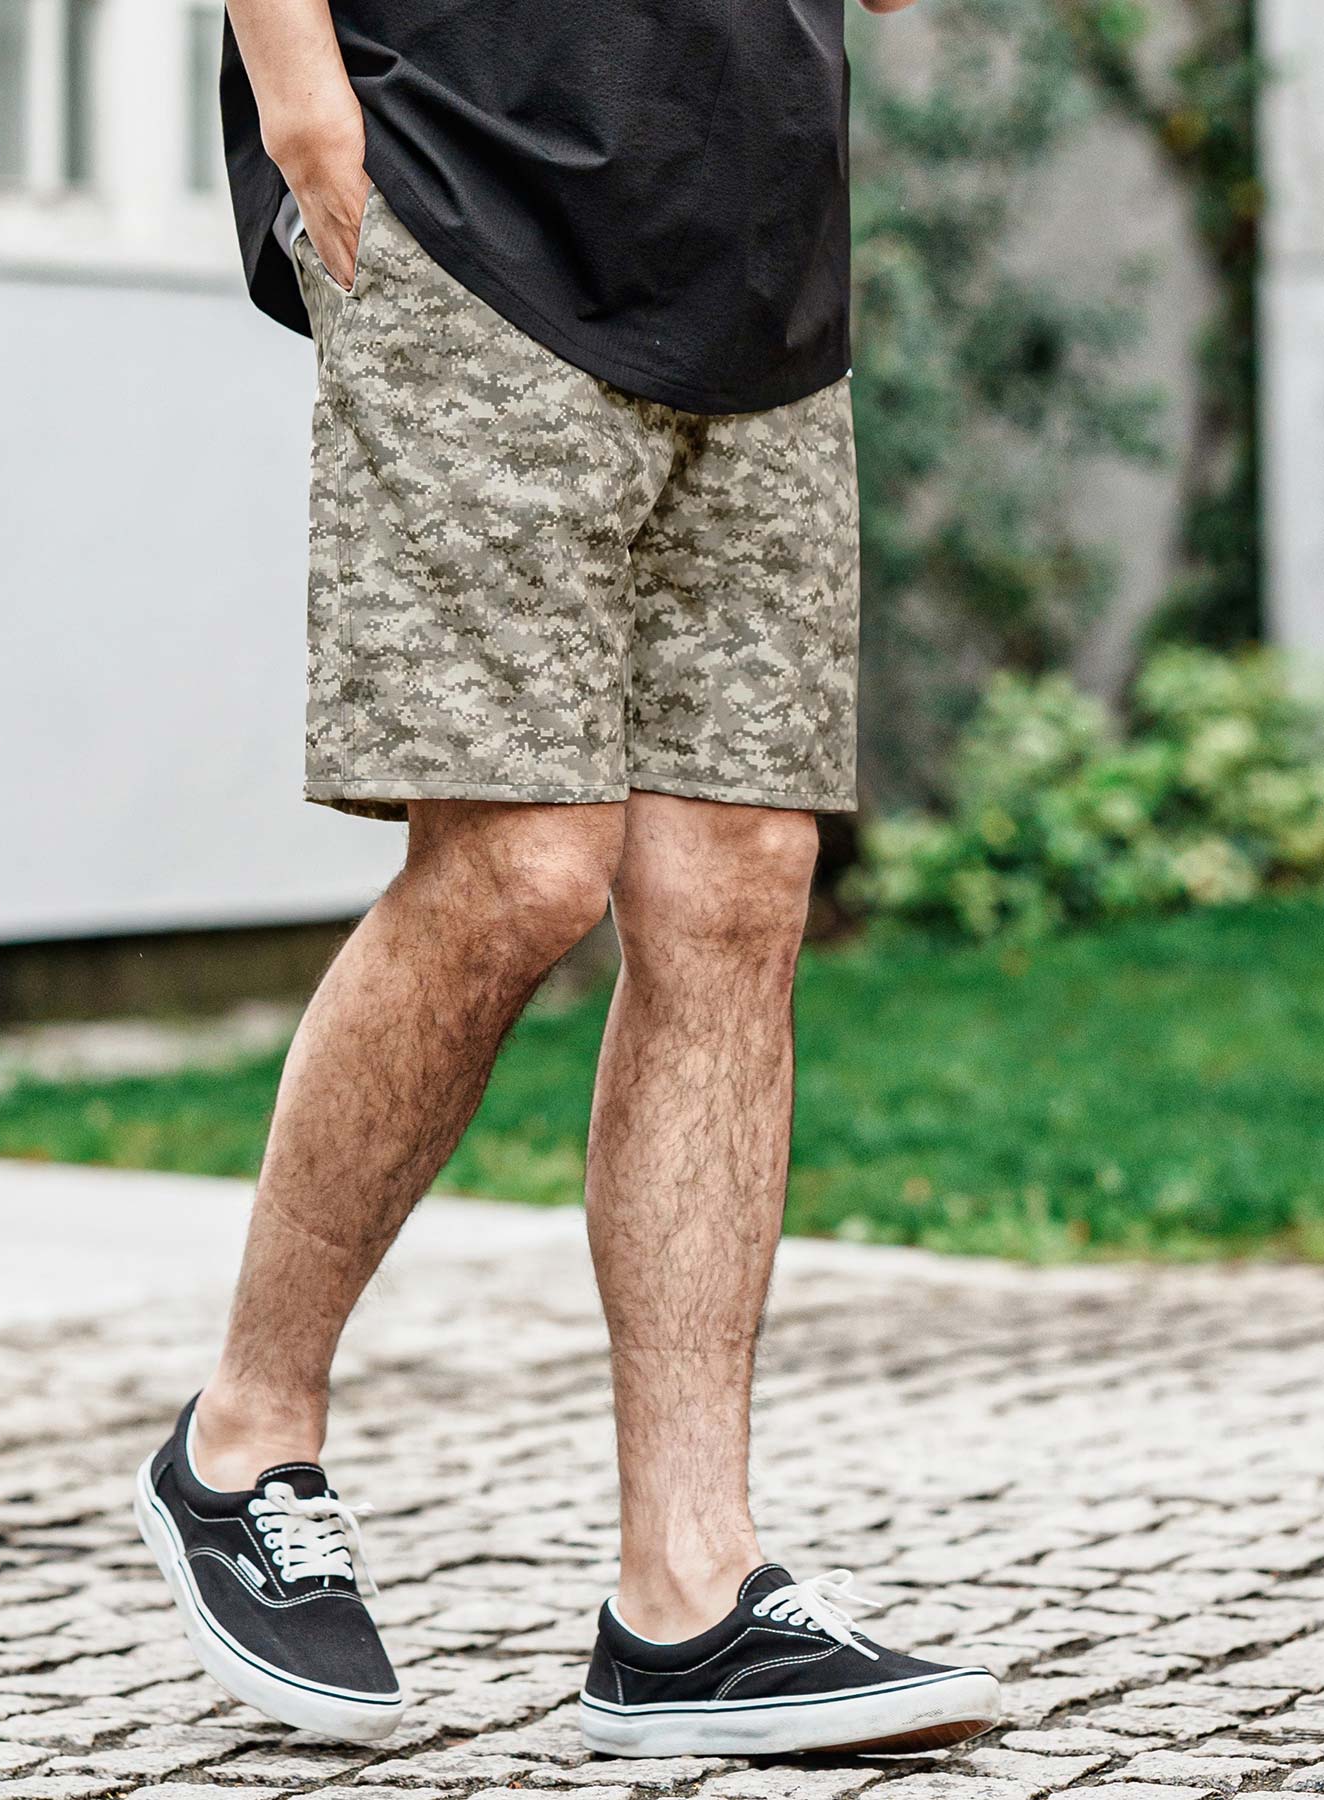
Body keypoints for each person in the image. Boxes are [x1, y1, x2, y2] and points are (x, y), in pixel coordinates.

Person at [134, 0, 1002, 1758]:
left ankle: (688, 1592)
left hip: (759, 253)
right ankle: (245, 1438)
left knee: (738, 890)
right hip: (470, 196)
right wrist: (304, 110)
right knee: (522, 866)